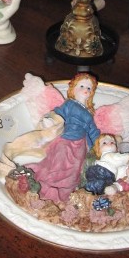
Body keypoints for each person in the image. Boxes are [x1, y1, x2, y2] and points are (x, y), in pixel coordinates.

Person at [27, 73, 100, 202]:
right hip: (65, 139)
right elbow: (58, 114)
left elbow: (93, 131)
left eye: (89, 88)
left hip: (80, 144)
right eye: (82, 86)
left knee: (74, 169)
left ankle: (63, 195)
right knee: (59, 162)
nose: (85, 89)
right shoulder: (69, 104)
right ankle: (49, 189)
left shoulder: (89, 112)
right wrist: (50, 121)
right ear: (73, 88)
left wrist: (99, 144)